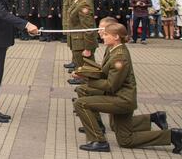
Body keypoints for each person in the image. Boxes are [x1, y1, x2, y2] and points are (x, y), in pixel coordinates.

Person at [72, 22, 182, 153]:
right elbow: (105, 71)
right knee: (126, 140)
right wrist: (85, 72)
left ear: (116, 37)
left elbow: (111, 85)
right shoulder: (115, 49)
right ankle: (172, 135)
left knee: (81, 103)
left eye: (106, 34)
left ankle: (99, 141)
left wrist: (87, 79)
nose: (102, 36)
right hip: (121, 97)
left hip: (122, 99)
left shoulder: (120, 57)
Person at [66, 0, 97, 85]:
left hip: (82, 42)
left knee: (86, 67)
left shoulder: (84, 4)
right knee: (81, 65)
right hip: (78, 40)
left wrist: (88, 48)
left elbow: (88, 28)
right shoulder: (78, 1)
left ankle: (87, 88)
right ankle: (83, 84)